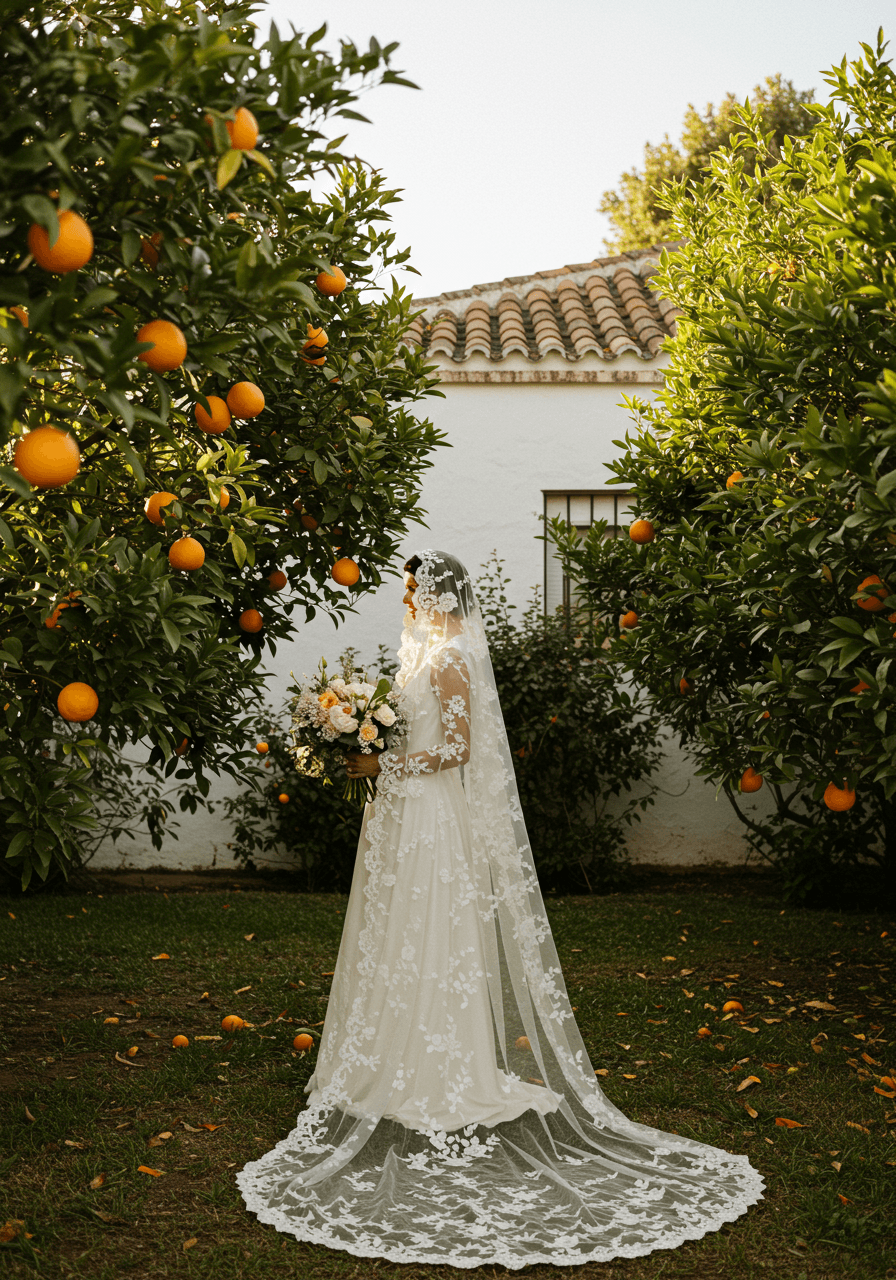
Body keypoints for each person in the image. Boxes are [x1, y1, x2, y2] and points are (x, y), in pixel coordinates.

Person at [238, 550, 764, 1267]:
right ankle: (384, 1055)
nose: (408, 597)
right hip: (401, 814)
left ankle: (438, 1067)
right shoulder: (425, 653)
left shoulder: (451, 657)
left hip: (429, 817)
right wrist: (361, 736)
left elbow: (456, 749)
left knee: (429, 934)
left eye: (415, 588)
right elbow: (412, 732)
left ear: (440, 593)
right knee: (395, 935)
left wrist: (381, 759)